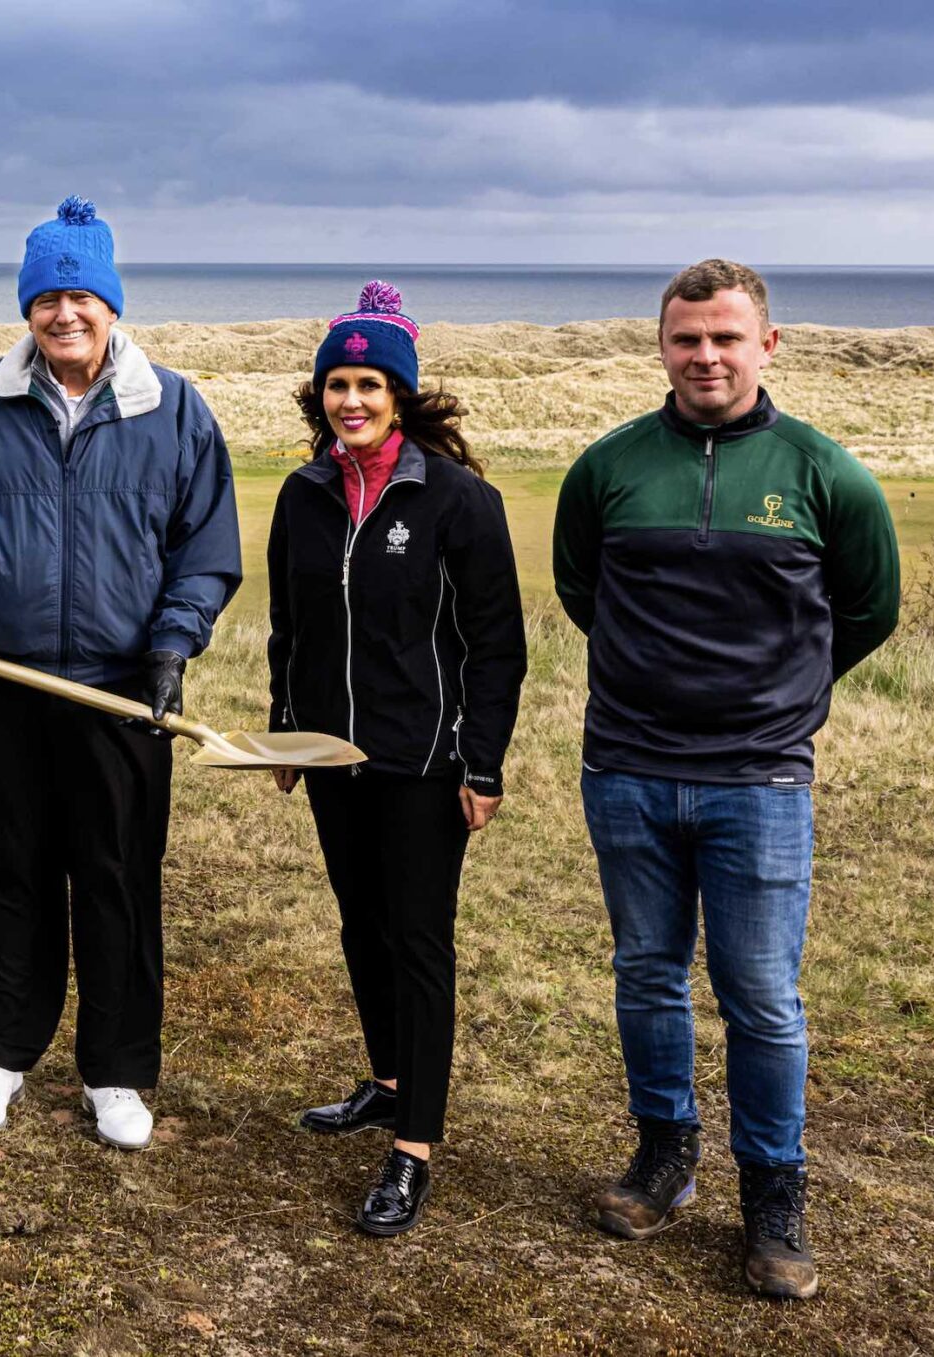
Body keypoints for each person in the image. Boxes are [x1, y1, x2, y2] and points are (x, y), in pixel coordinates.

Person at [553, 259, 900, 1299]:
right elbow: (583, 591)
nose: (704, 356)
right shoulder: (608, 468)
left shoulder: (823, 472)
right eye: (685, 338)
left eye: (725, 338)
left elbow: (867, 608)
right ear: (659, 346)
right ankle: (664, 1155)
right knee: (647, 972)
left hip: (759, 780)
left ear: (765, 346)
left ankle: (772, 1193)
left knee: (760, 996)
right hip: (626, 769)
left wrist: (781, 695)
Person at [0, 197, 240, 1150]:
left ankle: (118, 1071)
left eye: (83, 294)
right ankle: (4, 1051)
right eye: (48, 297)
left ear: (113, 306)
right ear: (28, 309)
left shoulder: (172, 408)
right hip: (2, 679)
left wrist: (173, 642)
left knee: (118, 874)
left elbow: (204, 548)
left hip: (124, 686)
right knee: (18, 868)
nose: (65, 314)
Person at [265, 282, 527, 1235]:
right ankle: (386, 1080)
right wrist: (285, 727)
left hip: (425, 761)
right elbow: (289, 624)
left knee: (417, 943)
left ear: (401, 395)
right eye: (338, 381)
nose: (353, 400)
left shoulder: (459, 501)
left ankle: (414, 1145)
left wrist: (482, 763)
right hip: (333, 756)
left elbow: (497, 645)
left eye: (371, 382)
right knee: (360, 928)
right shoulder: (303, 495)